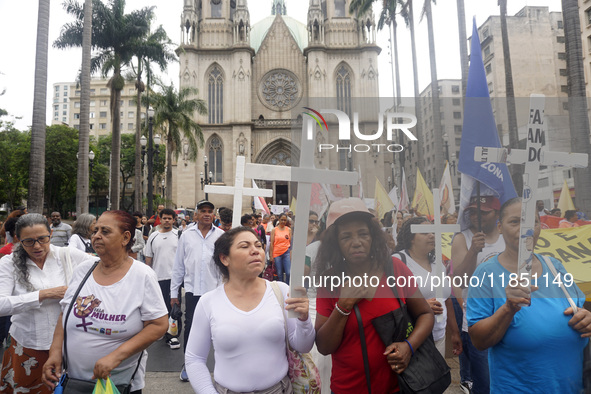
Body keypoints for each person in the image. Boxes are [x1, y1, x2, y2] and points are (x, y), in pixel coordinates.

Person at [467, 198, 591, 393]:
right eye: (515, 222)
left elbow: (580, 309)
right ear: (500, 227)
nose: (526, 229)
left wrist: (586, 318)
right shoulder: (485, 274)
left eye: (531, 222)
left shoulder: (555, 266)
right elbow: (478, 341)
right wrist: (508, 309)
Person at [315, 198, 434, 393]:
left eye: (363, 234)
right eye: (346, 237)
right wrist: (343, 306)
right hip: (347, 388)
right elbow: (324, 346)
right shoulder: (329, 281)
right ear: (335, 243)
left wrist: (408, 347)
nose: (356, 243)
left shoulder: (395, 269)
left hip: (399, 387)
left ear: (373, 237)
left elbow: (426, 314)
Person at [42, 210, 168, 393]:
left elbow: (158, 325)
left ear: (125, 238)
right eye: (96, 231)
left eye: (105, 231)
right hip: (73, 382)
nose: (96, 236)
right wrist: (54, 353)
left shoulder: (142, 275)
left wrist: (115, 357)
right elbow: (65, 314)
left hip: (117, 384)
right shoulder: (82, 270)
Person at [185, 226, 314, 393]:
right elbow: (194, 358)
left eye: (258, 245)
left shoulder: (281, 291)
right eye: (244, 246)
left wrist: (304, 320)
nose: (255, 251)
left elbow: (303, 346)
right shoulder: (208, 302)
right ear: (225, 259)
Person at [0, 214, 95, 393]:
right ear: (18, 239)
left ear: (50, 234)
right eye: (28, 241)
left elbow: (101, 266)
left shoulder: (66, 255)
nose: (37, 246)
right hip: (27, 345)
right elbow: (2, 305)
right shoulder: (9, 263)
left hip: (66, 346)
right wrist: (43, 295)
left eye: (42, 239)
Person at [451, 195, 504, 394]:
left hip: (510, 317)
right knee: (485, 383)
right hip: (478, 321)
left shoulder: (507, 237)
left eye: (483, 212)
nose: (476, 216)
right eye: (472, 211)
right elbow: (460, 280)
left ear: (497, 214)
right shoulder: (461, 238)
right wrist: (473, 251)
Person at [393, 217, 462, 358]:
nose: (431, 235)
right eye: (425, 233)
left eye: (433, 232)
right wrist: (421, 306)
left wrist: (454, 332)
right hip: (413, 339)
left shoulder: (437, 262)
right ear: (411, 238)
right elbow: (390, 302)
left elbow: (446, 298)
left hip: (439, 336)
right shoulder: (398, 261)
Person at [171, 200, 224, 382]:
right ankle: (188, 365)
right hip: (193, 291)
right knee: (190, 328)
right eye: (203, 211)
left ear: (214, 215)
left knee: (218, 329)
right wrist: (174, 295)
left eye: (210, 211)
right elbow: (178, 266)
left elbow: (226, 265)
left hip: (215, 291)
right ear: (196, 215)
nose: (207, 214)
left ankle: (222, 367)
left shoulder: (221, 236)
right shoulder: (186, 235)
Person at [144, 208, 181, 350]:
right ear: (160, 218)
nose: (167, 220)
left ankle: (172, 336)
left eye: (169, 218)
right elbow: (149, 257)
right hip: (157, 278)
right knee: (160, 308)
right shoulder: (153, 236)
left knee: (174, 308)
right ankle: (162, 331)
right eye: (164, 218)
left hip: (174, 279)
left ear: (173, 220)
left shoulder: (179, 235)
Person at [269, 213, 292, 284]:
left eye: (285, 220)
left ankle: (288, 287)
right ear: (278, 220)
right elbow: (272, 243)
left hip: (286, 253)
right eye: (281, 220)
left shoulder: (289, 230)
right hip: (277, 254)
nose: (283, 222)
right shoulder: (274, 230)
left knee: (288, 272)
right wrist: (271, 256)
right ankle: (281, 287)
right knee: (279, 273)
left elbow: (290, 242)